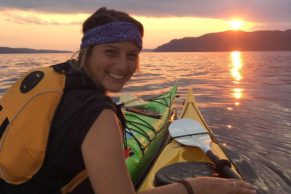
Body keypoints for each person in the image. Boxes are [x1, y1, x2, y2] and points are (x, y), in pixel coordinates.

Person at [0, 7, 257, 194]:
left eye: (132, 55)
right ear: (87, 51)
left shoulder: (47, 81)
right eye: (110, 52)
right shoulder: (98, 115)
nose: (123, 66)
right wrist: (195, 187)